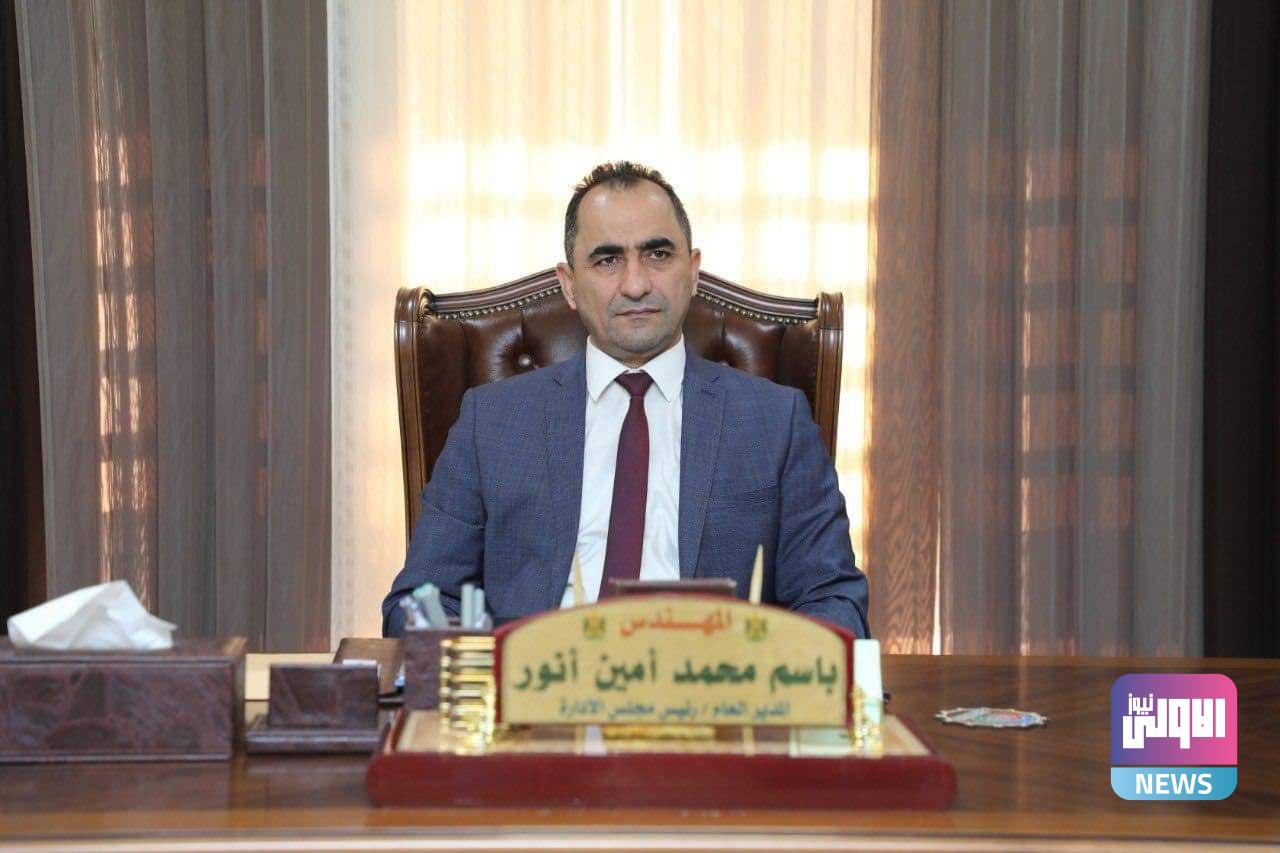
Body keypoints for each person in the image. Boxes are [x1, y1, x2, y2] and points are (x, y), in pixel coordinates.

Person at [382, 161, 869, 637]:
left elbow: (834, 599)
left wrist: (758, 673)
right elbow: (419, 601)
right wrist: (500, 671)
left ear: (693, 271)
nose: (636, 285)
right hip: (540, 682)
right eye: (607, 260)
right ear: (569, 285)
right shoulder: (491, 422)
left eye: (658, 255)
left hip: (710, 681)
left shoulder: (776, 421)